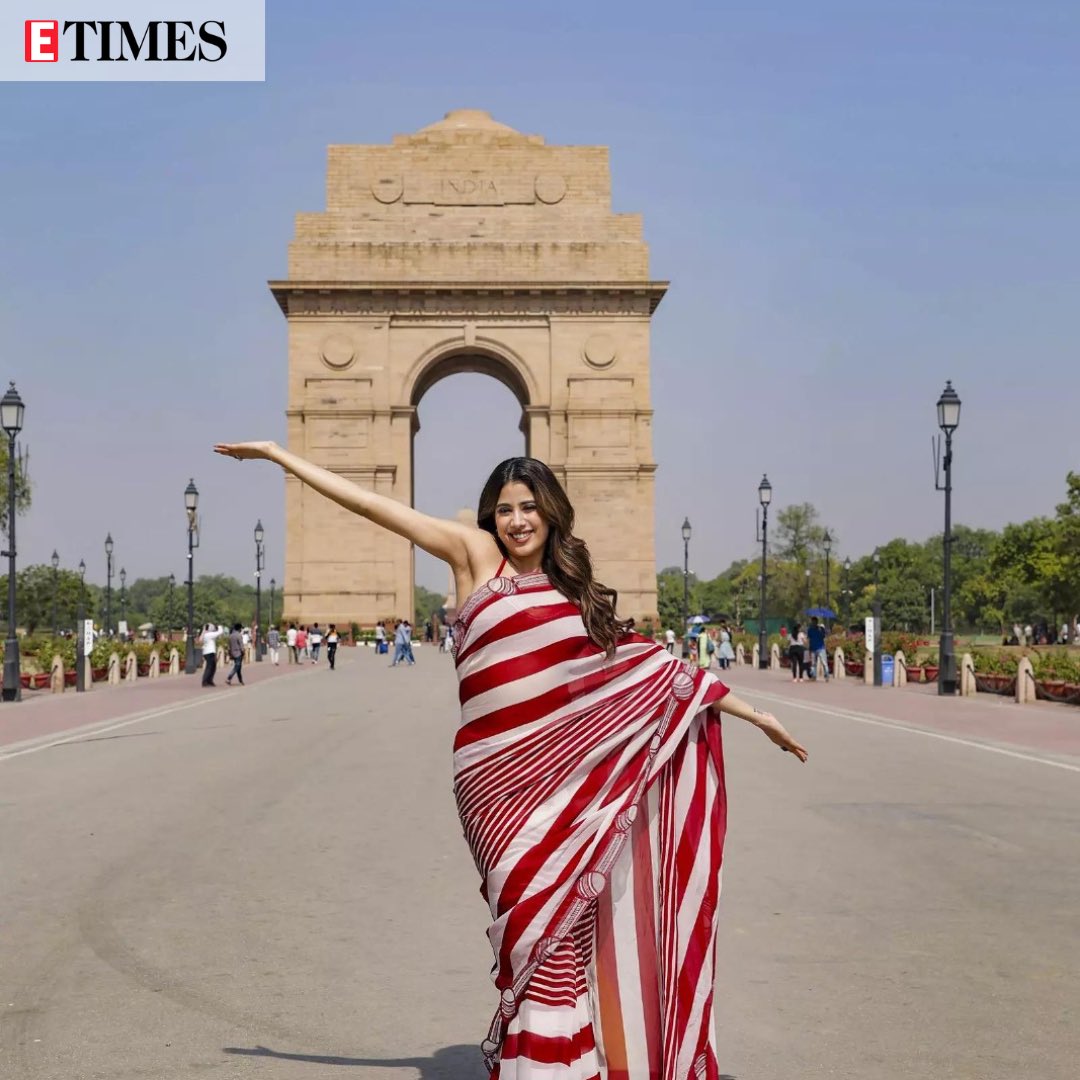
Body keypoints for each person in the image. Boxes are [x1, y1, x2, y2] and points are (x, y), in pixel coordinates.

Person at [214, 441, 806, 1080]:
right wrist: (282, 457)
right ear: (489, 518)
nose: (517, 520)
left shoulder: (572, 593)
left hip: (564, 786)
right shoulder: (475, 558)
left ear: (551, 514)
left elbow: (653, 669)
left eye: (529, 508)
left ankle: (563, 1067)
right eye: (504, 509)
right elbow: (374, 506)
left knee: (565, 941)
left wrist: (753, 713)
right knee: (535, 931)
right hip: (494, 788)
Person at [199, 622, 222, 687]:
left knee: (212, 667)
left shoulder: (204, 634)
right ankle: (205, 681)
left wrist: (204, 629)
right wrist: (219, 626)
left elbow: (200, 639)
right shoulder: (209, 634)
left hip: (207, 652)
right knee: (209, 667)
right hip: (210, 652)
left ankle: (209, 680)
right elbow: (220, 632)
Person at [807, 616, 829, 681]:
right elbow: (809, 638)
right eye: (812, 621)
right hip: (813, 648)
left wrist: (821, 631)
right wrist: (809, 648)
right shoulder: (810, 629)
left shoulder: (821, 629)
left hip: (821, 648)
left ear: (816, 622)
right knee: (813, 663)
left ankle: (826, 675)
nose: (813, 623)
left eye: (814, 621)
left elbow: (824, 636)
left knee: (824, 662)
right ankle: (814, 676)